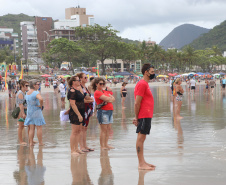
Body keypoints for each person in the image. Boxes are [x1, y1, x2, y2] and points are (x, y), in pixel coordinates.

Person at [133, 63, 156, 170]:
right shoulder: (142, 84)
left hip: (146, 115)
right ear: (146, 72)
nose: (153, 74)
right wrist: (136, 117)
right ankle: (141, 164)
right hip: (143, 115)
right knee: (141, 138)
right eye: (152, 72)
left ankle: (143, 161)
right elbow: (137, 103)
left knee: (142, 138)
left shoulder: (145, 84)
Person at [92, 77, 115, 150]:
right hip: (102, 111)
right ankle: (102, 146)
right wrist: (110, 99)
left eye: (103, 84)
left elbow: (112, 98)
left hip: (110, 110)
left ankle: (106, 144)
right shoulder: (97, 92)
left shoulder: (104, 91)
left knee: (108, 129)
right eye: (100, 84)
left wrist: (110, 99)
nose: (102, 85)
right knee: (103, 130)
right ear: (96, 84)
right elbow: (108, 99)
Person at [67, 75, 85, 155]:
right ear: (73, 82)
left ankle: (76, 148)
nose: (79, 82)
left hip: (81, 111)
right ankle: (72, 150)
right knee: (74, 132)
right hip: (75, 113)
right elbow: (72, 104)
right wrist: (79, 115)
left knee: (79, 131)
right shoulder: (72, 91)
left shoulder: (77, 89)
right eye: (78, 80)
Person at [24, 80, 46, 146]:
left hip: (29, 111)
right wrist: (41, 105)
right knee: (39, 127)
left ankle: (31, 142)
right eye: (38, 84)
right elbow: (41, 99)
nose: (39, 85)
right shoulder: (36, 92)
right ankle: (40, 142)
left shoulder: (27, 93)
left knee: (31, 128)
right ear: (34, 85)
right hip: (36, 111)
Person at [77, 73, 94, 152]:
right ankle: (81, 146)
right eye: (85, 77)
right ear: (80, 78)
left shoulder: (86, 87)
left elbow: (88, 97)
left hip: (88, 108)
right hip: (83, 108)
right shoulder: (79, 87)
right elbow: (81, 99)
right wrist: (90, 100)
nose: (86, 78)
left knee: (85, 128)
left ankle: (85, 145)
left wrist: (90, 100)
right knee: (82, 128)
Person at [16, 80, 29, 145]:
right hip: (21, 111)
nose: (27, 87)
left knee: (28, 125)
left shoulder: (24, 92)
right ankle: (21, 141)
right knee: (21, 126)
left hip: (25, 110)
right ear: (22, 86)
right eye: (26, 85)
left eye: (28, 85)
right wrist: (23, 113)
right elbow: (20, 105)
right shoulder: (20, 93)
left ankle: (29, 139)